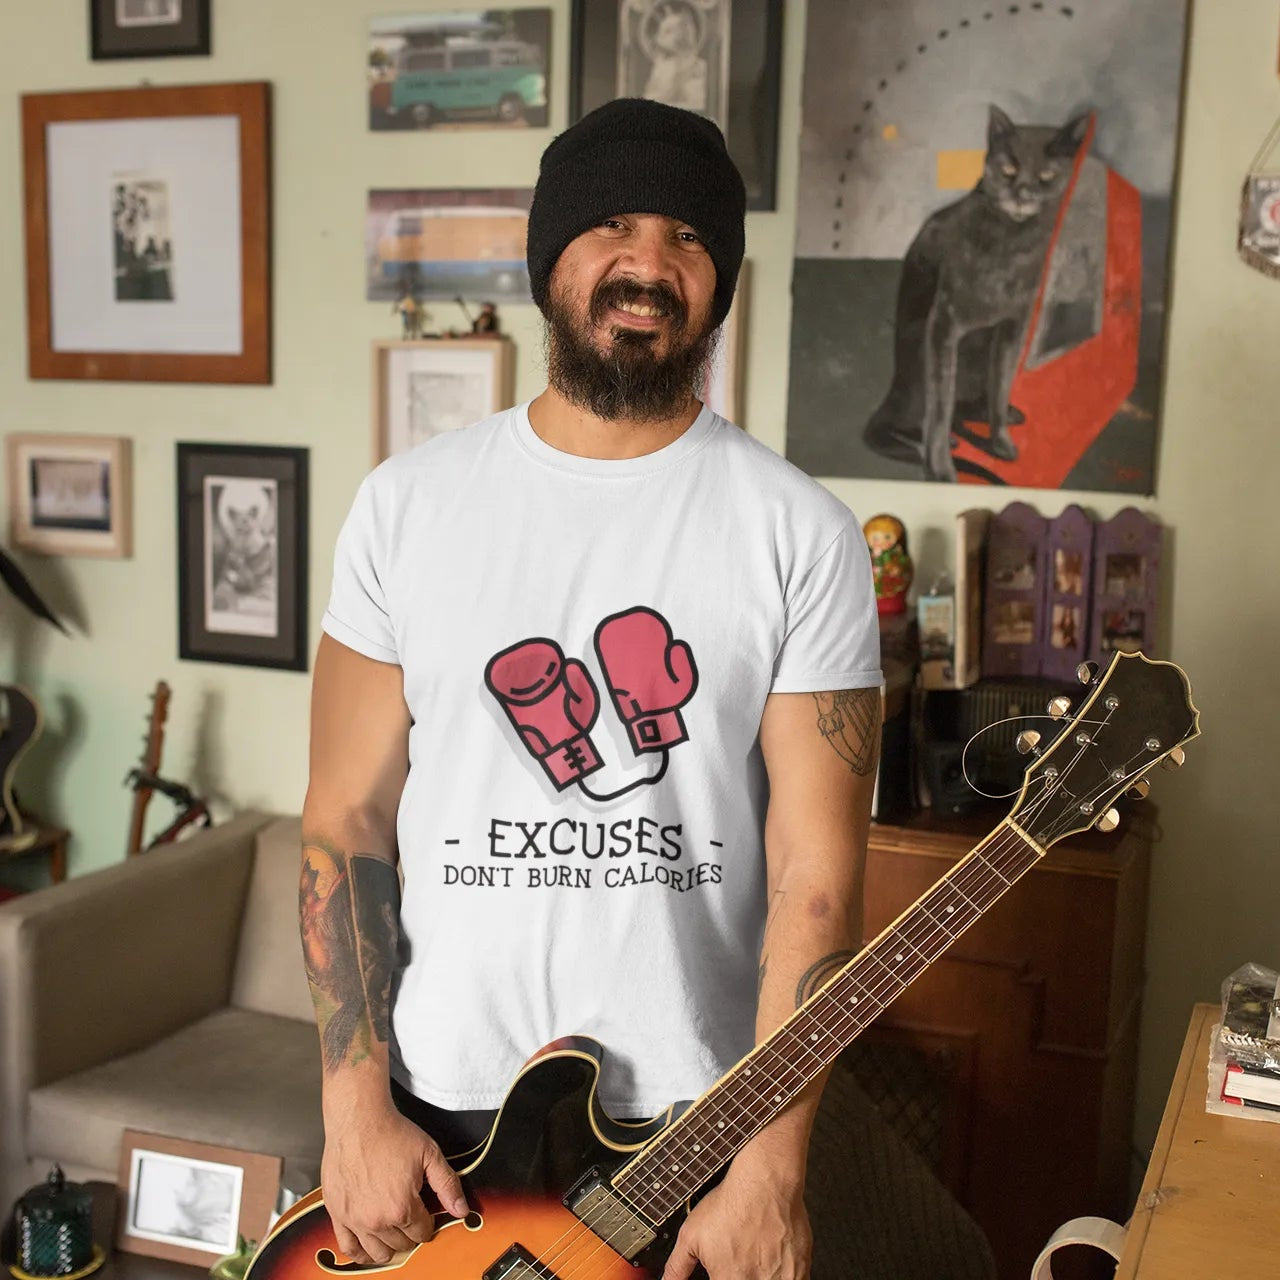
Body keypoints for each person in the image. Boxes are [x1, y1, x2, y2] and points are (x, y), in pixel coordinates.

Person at [302, 98, 881, 1280]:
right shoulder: (405, 508)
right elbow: (343, 817)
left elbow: (819, 878)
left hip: (691, 1130)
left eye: (685, 237)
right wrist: (352, 1110)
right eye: (613, 222)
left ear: (718, 278)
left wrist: (769, 1170)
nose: (649, 265)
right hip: (435, 1116)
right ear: (549, 257)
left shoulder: (802, 536)